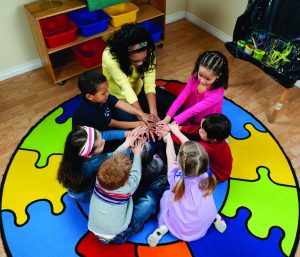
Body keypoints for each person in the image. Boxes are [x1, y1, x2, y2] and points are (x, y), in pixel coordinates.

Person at [88, 131, 168, 244]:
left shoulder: (99, 179)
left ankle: (153, 164)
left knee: (140, 181)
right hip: (117, 236)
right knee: (150, 202)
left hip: (96, 229)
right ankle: (133, 228)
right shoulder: (126, 190)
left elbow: (112, 159)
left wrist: (127, 143)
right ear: (125, 182)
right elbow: (136, 174)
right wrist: (136, 154)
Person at [147, 135, 225, 247]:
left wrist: (168, 138)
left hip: (180, 227)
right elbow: (195, 152)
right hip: (203, 221)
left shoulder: (175, 177)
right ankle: (214, 216)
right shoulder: (204, 171)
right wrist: (176, 131)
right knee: (205, 201)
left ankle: (164, 225)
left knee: (166, 195)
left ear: (180, 161)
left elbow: (170, 156)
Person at [102, 23, 176, 121]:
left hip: (139, 90)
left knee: (175, 105)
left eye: (143, 59)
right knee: (137, 126)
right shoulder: (109, 56)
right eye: (135, 61)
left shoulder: (148, 50)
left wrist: (153, 113)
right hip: (120, 99)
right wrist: (141, 115)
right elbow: (126, 88)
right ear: (124, 55)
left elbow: (149, 82)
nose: (140, 64)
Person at [57, 125, 148, 202]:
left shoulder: (72, 154)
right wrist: (129, 144)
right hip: (85, 195)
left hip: (75, 190)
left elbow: (104, 135)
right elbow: (115, 158)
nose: (103, 141)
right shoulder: (93, 162)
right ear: (89, 155)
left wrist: (127, 133)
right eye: (100, 144)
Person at [161, 51, 229, 125]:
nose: (202, 81)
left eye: (208, 79)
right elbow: (182, 97)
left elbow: (194, 110)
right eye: (200, 75)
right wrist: (167, 118)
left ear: (218, 76)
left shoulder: (217, 94)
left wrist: (174, 123)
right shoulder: (194, 78)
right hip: (189, 114)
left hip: (205, 122)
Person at [73, 70, 154, 131]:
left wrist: (141, 114)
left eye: (107, 90)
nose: (107, 94)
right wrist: (139, 124)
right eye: (103, 93)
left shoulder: (104, 96)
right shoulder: (89, 112)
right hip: (97, 132)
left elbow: (119, 103)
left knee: (134, 118)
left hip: (106, 118)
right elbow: (113, 123)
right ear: (89, 96)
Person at [168, 114, 233, 182]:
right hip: (214, 163)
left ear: (213, 139)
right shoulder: (214, 136)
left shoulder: (210, 148)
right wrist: (179, 128)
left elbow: (190, 146)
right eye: (201, 127)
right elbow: (196, 130)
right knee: (189, 137)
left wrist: (171, 135)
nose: (199, 130)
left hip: (216, 175)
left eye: (202, 131)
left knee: (184, 153)